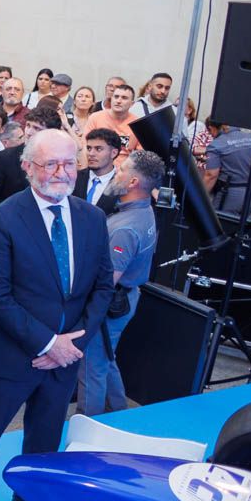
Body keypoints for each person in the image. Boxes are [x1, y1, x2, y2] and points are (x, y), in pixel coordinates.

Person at [0, 130, 114, 501]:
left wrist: (71, 345)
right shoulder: (3, 218)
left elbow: (101, 290)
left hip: (65, 358)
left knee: (44, 439)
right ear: (28, 168)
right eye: (50, 164)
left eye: (69, 164)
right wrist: (47, 344)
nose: (61, 173)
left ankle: (31, 500)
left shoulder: (92, 218)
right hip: (10, 356)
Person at [78, 151, 162, 416]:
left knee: (92, 368)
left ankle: (87, 427)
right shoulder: (143, 211)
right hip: (125, 298)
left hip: (112, 304)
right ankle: (120, 413)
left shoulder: (126, 228)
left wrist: (87, 314)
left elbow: (107, 282)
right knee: (105, 359)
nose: (116, 172)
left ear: (134, 182)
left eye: (122, 169)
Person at [202, 118, 251, 220]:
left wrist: (200, 197)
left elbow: (211, 175)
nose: (211, 135)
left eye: (209, 132)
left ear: (211, 128)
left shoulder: (216, 145)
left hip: (230, 195)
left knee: (217, 226)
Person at [75, 128, 126, 212]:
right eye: (89, 148)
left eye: (98, 149)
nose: (91, 154)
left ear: (114, 153)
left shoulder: (123, 185)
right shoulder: (75, 177)